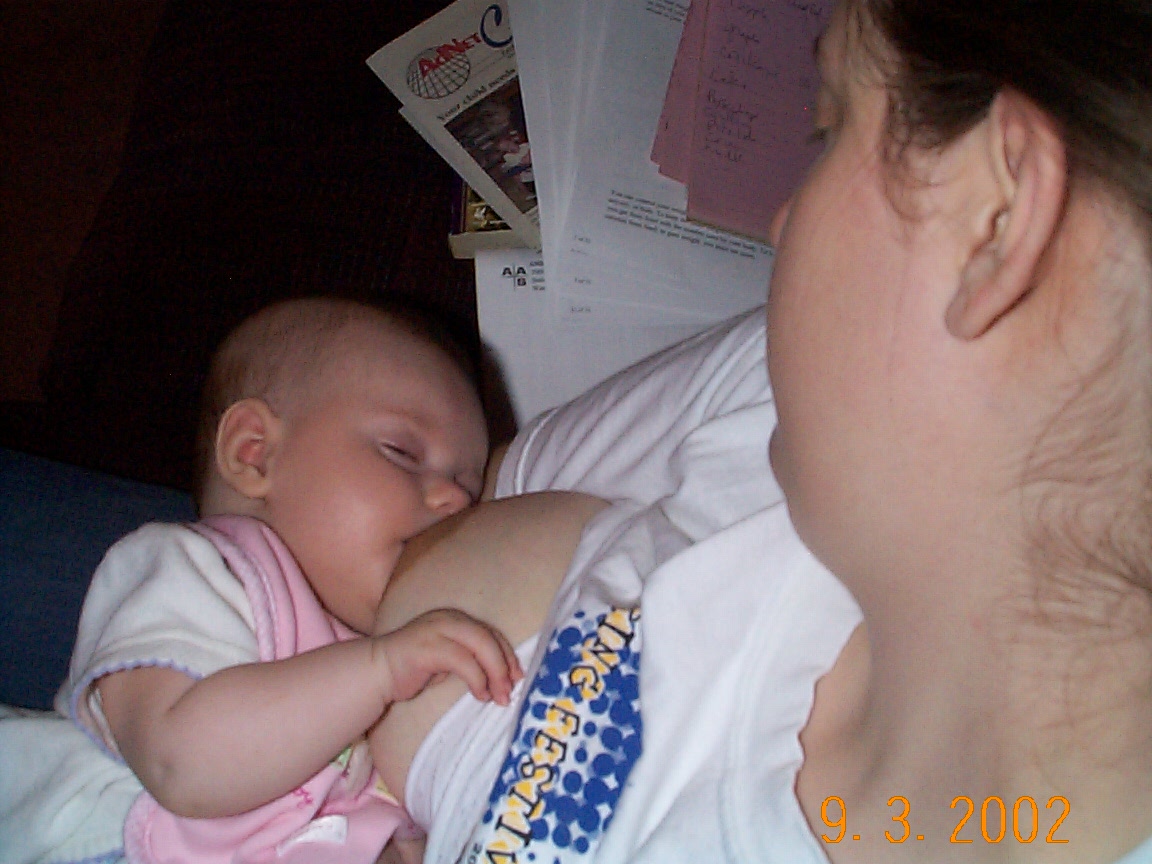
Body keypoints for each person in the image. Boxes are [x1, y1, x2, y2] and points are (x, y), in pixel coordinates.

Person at [362, 0, 1152, 861]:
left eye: (830, 127)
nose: (781, 222)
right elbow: (480, 490)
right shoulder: (793, 404)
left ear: (995, 218)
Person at [0, 297, 524, 864]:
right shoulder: (201, 572)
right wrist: (379, 671)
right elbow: (181, 763)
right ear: (254, 454)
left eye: (469, 489)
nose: (452, 501)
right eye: (402, 452)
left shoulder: (398, 651)